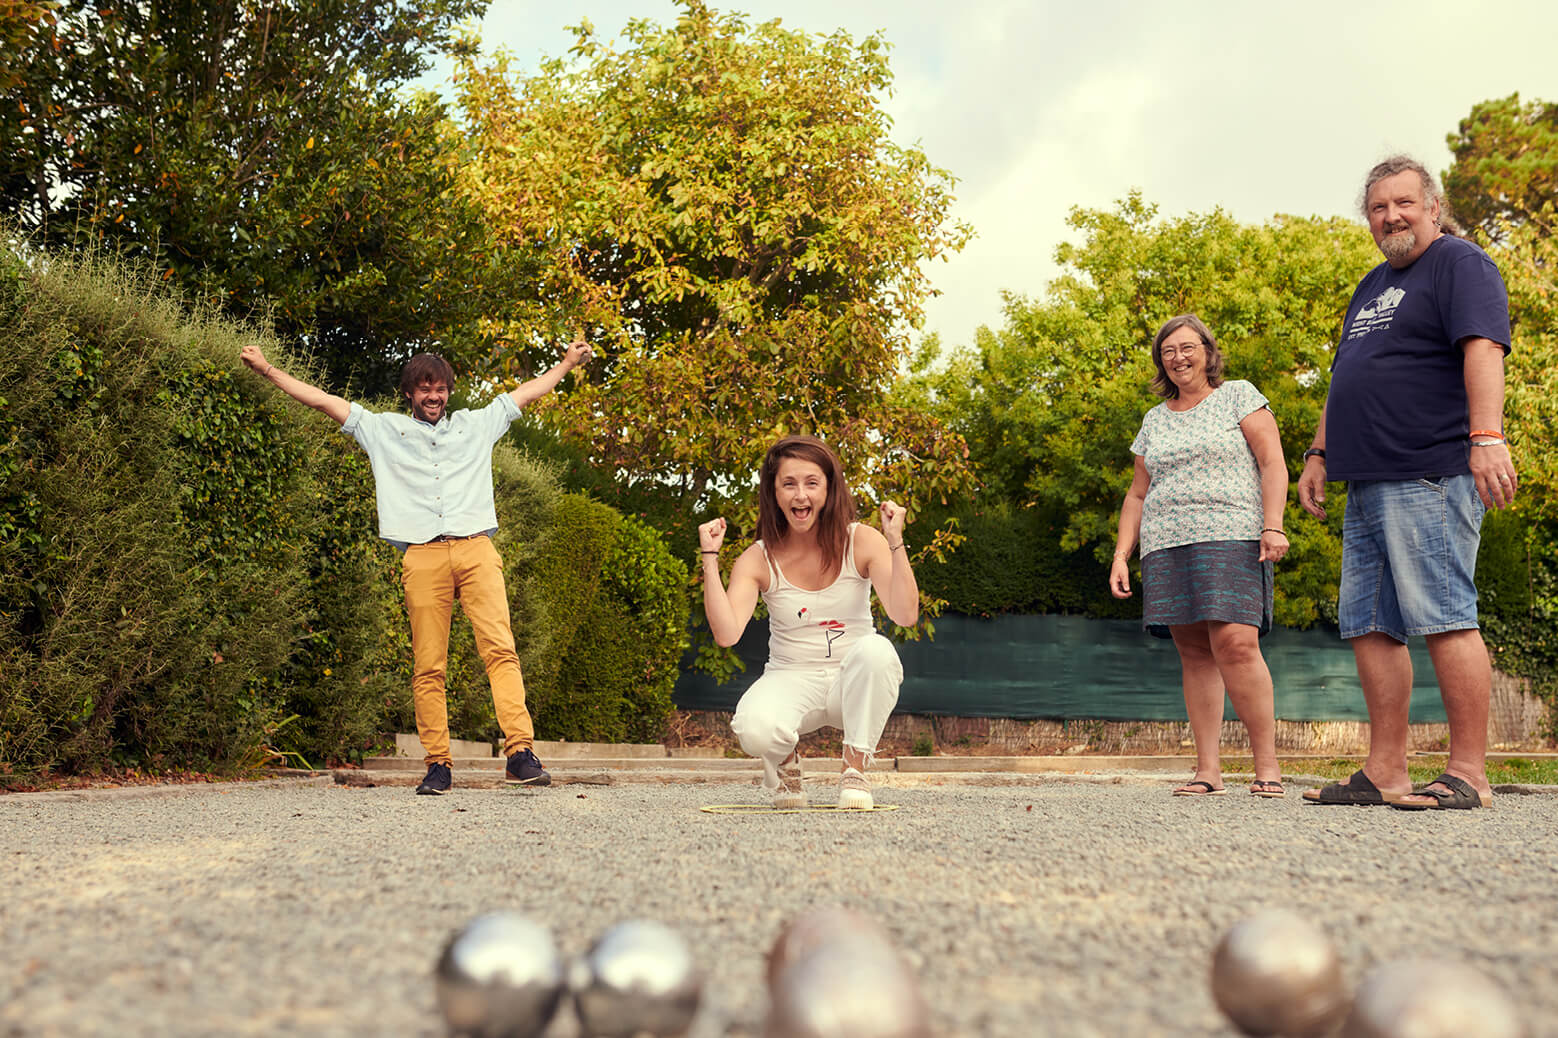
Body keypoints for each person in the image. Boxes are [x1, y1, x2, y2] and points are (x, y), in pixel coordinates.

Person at [239, 338, 592, 795]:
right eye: (425, 388)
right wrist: (268, 370)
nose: (434, 396)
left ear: (448, 392)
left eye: (441, 388)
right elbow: (323, 400)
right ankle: (438, 764)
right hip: (422, 556)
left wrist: (565, 364)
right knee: (429, 666)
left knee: (501, 651)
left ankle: (520, 753)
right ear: (410, 392)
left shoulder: (476, 425)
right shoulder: (383, 430)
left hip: (477, 550)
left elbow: (527, 392)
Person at [1298, 155, 1516, 811]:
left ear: (1432, 205)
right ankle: (1385, 769)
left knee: (1446, 616)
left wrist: (1487, 437)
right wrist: (1316, 453)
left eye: (1403, 203)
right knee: (1369, 625)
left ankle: (1469, 772)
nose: (1391, 216)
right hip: (1365, 477)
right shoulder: (1371, 285)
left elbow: (1483, 347)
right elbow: (1347, 376)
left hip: (1429, 468)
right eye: (1378, 207)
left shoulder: (1460, 264)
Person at [1110, 314, 1291, 798]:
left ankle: (1267, 768)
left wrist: (1272, 524)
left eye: (1187, 347)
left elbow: (1272, 461)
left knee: (1235, 645)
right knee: (1193, 653)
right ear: (1160, 363)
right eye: (1168, 352)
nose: (1178, 358)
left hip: (1231, 533)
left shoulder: (1238, 396)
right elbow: (1137, 494)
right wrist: (1122, 553)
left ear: (1208, 353)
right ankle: (1208, 770)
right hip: (1166, 543)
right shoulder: (1154, 419)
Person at [699, 436, 918, 810]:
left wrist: (895, 541)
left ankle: (855, 769)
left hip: (853, 678)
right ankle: (787, 767)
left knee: (877, 651)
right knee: (753, 728)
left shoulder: (862, 540)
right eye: (789, 484)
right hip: (791, 677)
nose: (800, 495)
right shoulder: (757, 558)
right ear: (774, 492)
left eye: (811, 483)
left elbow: (904, 615)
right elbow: (727, 634)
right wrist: (710, 558)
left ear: (830, 489)